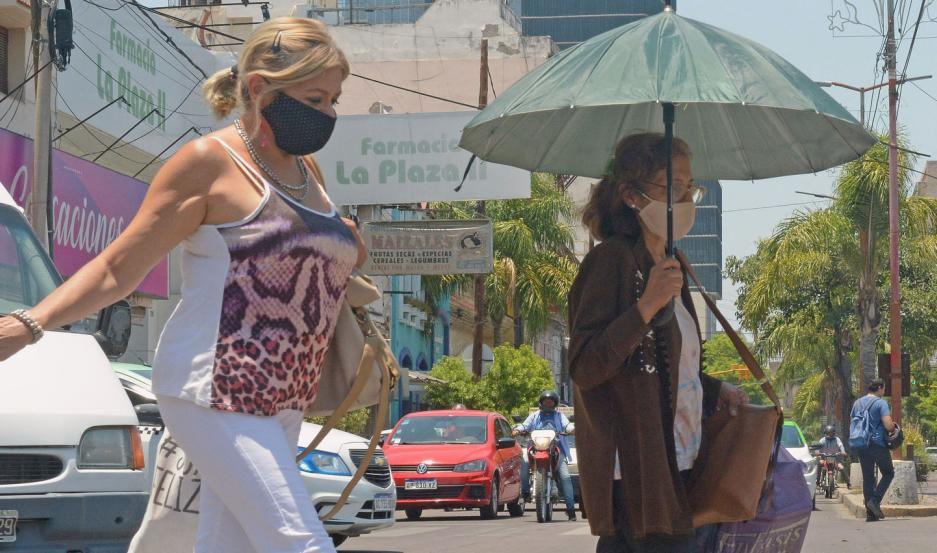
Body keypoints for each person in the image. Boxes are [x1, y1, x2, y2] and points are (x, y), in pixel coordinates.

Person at [0, 18, 366, 553]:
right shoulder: (208, 164)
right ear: (261, 88)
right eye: (315, 98)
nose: (328, 113)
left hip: (286, 398)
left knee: (230, 546)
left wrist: (349, 242)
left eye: (334, 99)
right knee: (301, 541)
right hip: (217, 391)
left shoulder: (306, 169)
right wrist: (28, 324)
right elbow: (115, 269)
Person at [568, 133, 749, 552]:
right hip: (635, 477)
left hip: (679, 465)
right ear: (631, 195)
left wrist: (718, 390)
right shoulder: (610, 261)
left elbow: (670, 366)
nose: (686, 197)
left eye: (690, 186)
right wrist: (645, 306)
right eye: (673, 185)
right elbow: (585, 366)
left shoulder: (671, 264)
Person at [513, 391, 578, 521]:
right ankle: (525, 492)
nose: (548, 404)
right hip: (536, 447)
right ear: (541, 403)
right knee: (525, 461)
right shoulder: (534, 416)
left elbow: (568, 425)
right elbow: (524, 425)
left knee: (565, 477)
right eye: (546, 402)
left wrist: (572, 429)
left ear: (555, 404)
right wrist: (518, 429)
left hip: (556, 449)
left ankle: (571, 510)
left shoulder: (560, 416)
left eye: (551, 402)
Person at [851, 379, 897, 522]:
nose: (883, 392)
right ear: (879, 388)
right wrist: (894, 427)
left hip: (861, 443)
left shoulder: (857, 403)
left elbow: (853, 422)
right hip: (877, 444)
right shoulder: (880, 403)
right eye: (883, 389)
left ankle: (870, 513)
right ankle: (875, 501)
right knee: (888, 473)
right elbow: (888, 425)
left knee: (868, 478)